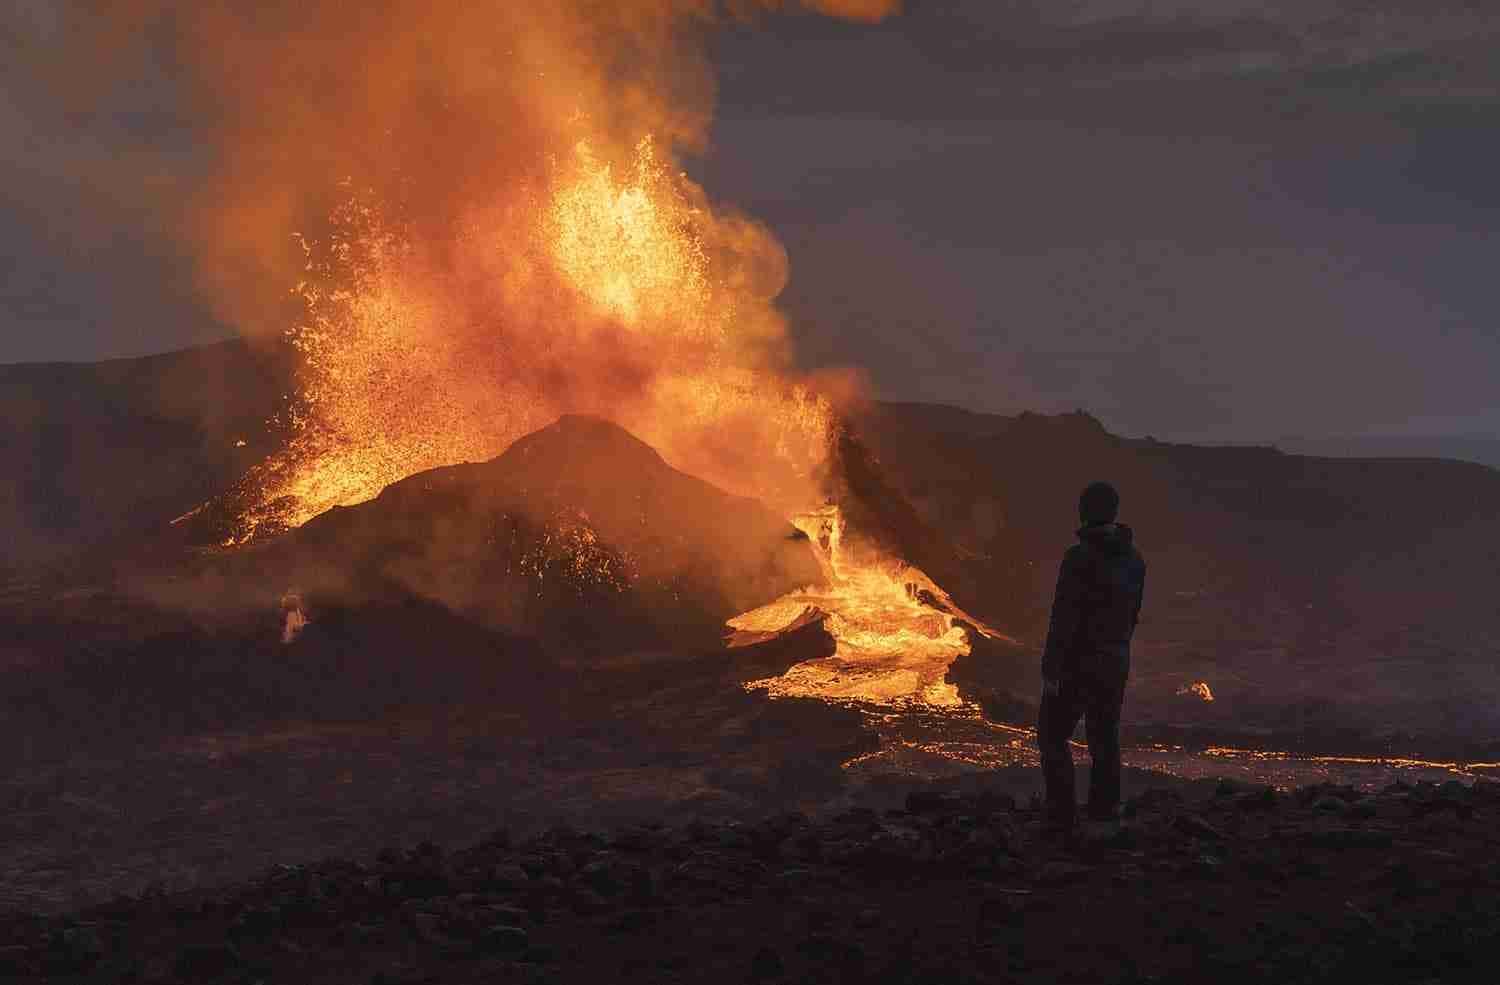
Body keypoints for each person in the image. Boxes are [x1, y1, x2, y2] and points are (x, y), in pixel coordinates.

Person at [1038, 481, 1146, 838]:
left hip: (1077, 663)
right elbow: (1132, 615)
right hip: (1115, 661)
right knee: (1104, 736)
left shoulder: (1079, 558)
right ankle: (1104, 812)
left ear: (1084, 512)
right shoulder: (1134, 560)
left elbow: (1064, 617)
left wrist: (1052, 667)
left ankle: (1062, 815)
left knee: (1052, 735)